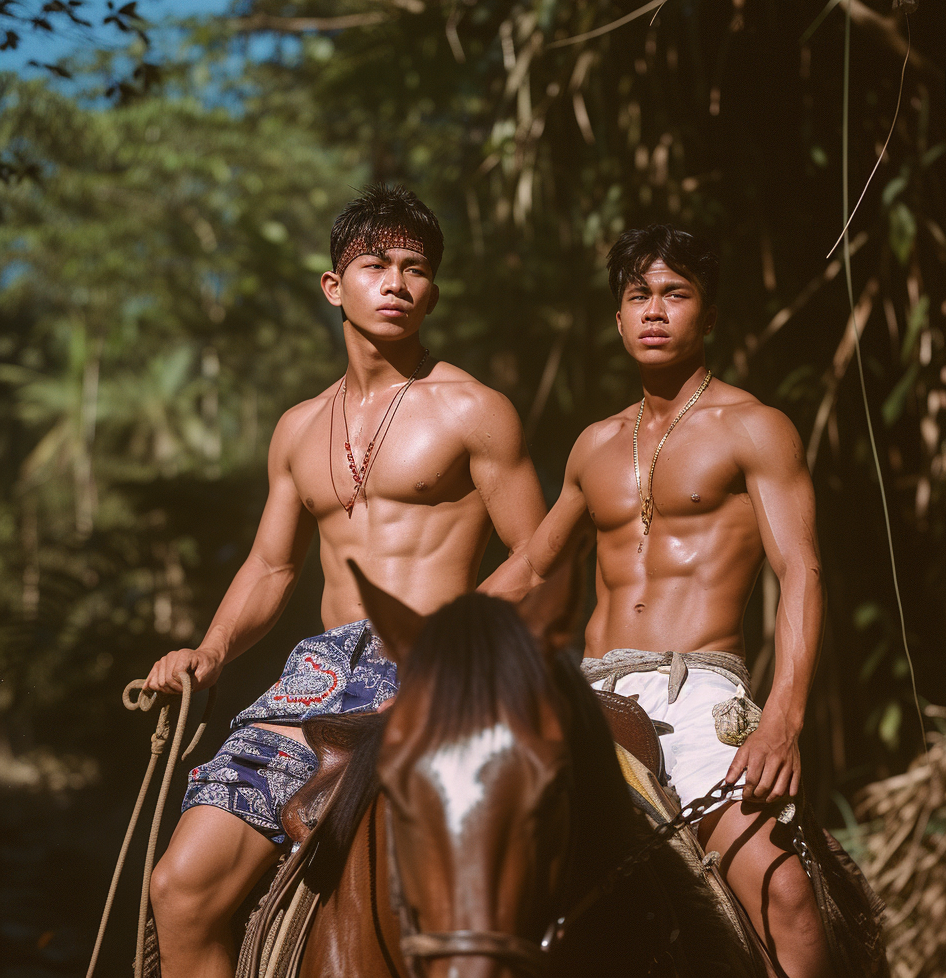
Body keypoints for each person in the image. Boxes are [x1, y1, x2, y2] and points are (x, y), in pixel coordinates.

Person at [142, 184, 547, 978]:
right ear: (335, 287)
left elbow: (537, 558)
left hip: (431, 670)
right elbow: (272, 565)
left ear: (433, 289)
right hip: (318, 676)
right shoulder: (298, 426)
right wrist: (211, 651)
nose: (396, 282)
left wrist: (456, 650)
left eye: (415, 267)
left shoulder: (473, 409)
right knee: (181, 887)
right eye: (375, 264)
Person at [489, 225, 833, 977]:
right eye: (638, 296)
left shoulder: (754, 427)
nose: (654, 311)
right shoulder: (594, 445)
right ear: (616, 317)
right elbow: (534, 568)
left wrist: (783, 718)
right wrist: (415, 639)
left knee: (785, 894)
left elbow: (800, 572)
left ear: (707, 317)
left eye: (675, 294)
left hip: (698, 693)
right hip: (587, 695)